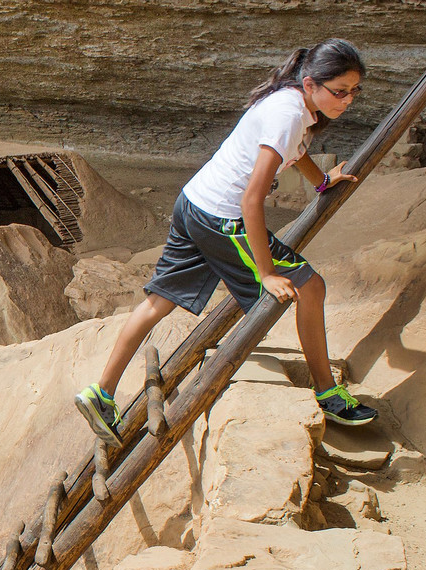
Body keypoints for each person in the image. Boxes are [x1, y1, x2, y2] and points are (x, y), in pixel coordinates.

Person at [75, 39, 378, 446]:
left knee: (157, 302)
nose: (348, 100)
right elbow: (252, 199)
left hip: (193, 201)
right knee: (311, 286)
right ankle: (328, 393)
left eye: (354, 91)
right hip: (221, 216)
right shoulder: (288, 114)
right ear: (311, 83)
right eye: (340, 91)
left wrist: (322, 181)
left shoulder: (290, 101)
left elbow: (297, 152)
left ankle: (101, 394)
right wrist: (266, 272)